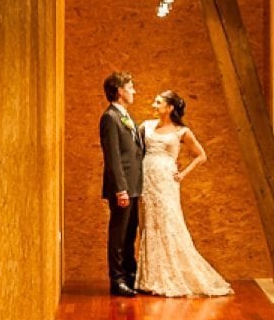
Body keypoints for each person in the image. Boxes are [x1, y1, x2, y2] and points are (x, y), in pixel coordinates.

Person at [136, 90, 232, 298]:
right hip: (148, 180)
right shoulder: (146, 126)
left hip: (166, 183)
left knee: (168, 223)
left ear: (170, 107)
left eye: (158, 101)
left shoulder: (182, 131)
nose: (154, 104)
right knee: (150, 224)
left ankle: (170, 275)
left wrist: (183, 174)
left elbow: (201, 155)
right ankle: (150, 277)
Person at [99, 71, 144, 297]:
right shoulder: (110, 117)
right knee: (119, 233)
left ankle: (129, 273)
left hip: (134, 185)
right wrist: (121, 189)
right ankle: (117, 279)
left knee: (130, 232)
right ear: (119, 91)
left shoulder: (126, 116)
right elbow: (113, 157)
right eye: (130, 86)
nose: (134, 90)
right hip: (123, 187)